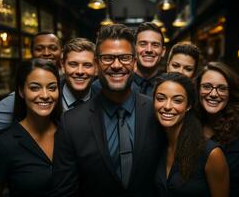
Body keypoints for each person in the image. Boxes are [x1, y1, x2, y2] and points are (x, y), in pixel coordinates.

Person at [52, 24, 164, 196]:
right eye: (107, 58)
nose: (117, 65)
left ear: (134, 63)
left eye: (125, 58)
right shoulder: (72, 122)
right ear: (96, 64)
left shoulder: (157, 112)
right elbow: (64, 191)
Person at [0, 59, 62, 197]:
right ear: (21, 91)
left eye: (52, 87)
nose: (45, 95)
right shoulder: (4, 145)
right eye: (35, 87)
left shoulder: (68, 132)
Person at [0, 32, 62, 159]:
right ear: (31, 53)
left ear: (61, 52)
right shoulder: (26, 95)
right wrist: (6, 158)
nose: (46, 53)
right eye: (39, 48)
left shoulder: (71, 82)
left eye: (53, 48)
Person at [153, 72, 229, 197]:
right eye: (160, 98)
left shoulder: (211, 154)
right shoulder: (157, 145)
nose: (167, 106)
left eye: (177, 100)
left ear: (188, 106)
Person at [195, 61, 239, 196]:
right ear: (197, 89)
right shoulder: (189, 123)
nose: (213, 94)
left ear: (230, 93)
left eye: (221, 88)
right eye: (207, 86)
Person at [60, 37, 97, 110]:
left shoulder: (105, 100)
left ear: (96, 68)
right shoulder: (50, 98)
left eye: (87, 65)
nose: (80, 71)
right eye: (73, 64)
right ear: (63, 66)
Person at [133, 22, 166, 96]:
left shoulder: (169, 87)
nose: (149, 50)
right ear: (134, 49)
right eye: (143, 44)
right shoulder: (122, 84)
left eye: (155, 45)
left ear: (163, 51)